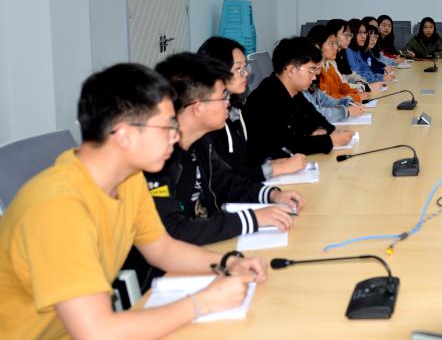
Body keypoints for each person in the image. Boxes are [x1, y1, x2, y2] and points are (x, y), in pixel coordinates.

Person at [0, 63, 266, 338]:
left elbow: (161, 249)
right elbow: (99, 333)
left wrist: (227, 262)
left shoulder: (128, 179)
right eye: (167, 127)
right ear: (124, 134)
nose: (175, 137)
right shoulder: (58, 209)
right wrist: (202, 303)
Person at [129, 53, 303, 288]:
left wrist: (271, 195)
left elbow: (226, 182)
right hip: (164, 279)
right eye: (223, 96)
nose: (228, 103)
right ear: (198, 107)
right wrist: (253, 218)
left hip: (204, 252)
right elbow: (173, 231)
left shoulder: (201, 142)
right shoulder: (156, 161)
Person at [196, 36, 307, 182]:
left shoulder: (236, 109)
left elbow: (250, 158)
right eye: (238, 68)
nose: (246, 73)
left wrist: (272, 163)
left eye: (245, 67)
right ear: (216, 72)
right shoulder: (208, 121)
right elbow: (224, 178)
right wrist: (274, 169)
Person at [244, 37, 355, 159]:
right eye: (311, 70)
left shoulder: (295, 93)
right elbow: (283, 146)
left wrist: (320, 131)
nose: (314, 77)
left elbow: (317, 120)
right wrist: (329, 141)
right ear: (291, 70)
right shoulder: (265, 98)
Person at [308, 24, 366, 103]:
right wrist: (354, 97)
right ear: (317, 46)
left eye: (336, 43)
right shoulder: (315, 71)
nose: (335, 47)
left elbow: (342, 87)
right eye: (331, 43)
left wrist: (356, 93)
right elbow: (327, 99)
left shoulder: (330, 64)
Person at [345, 18, 392, 84]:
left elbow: (367, 69)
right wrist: (378, 77)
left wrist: (379, 76)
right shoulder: (348, 51)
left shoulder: (357, 50)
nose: (364, 36)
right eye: (359, 32)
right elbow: (357, 76)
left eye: (365, 33)